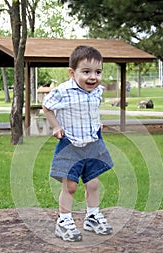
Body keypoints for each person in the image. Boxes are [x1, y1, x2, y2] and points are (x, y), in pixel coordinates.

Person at [42, 45, 113, 242]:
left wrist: (96, 122)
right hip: (71, 145)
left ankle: (92, 216)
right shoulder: (63, 91)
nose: (93, 77)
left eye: (98, 72)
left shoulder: (97, 91)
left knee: (93, 183)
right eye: (86, 72)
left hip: (92, 143)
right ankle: (63, 221)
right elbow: (46, 106)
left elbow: (92, 108)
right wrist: (55, 127)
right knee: (70, 185)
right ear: (72, 73)